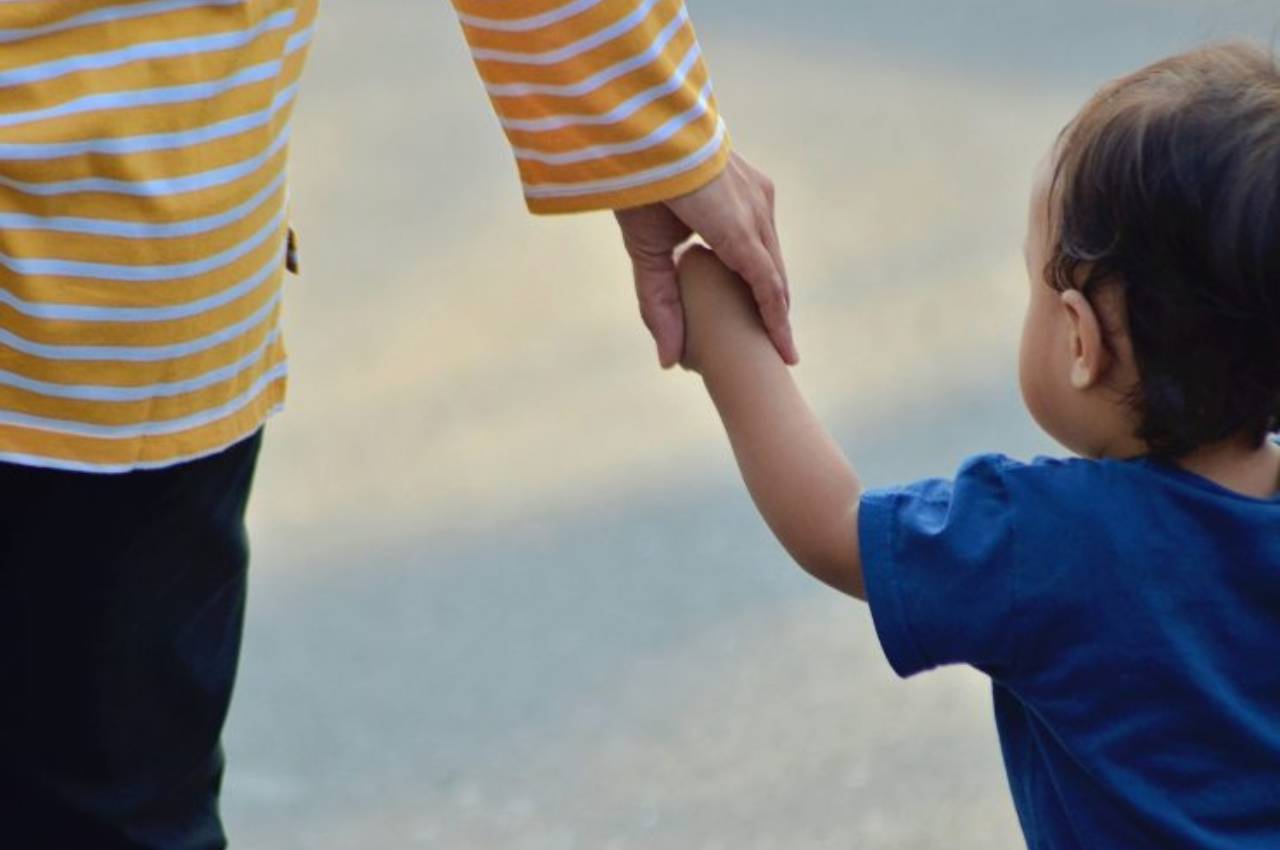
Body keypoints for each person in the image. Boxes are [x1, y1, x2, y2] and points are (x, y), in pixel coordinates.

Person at [0, 2, 791, 848]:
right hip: (106, 239)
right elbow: (838, 530)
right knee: (109, 802)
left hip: (97, 257)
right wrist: (651, 127)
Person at [676, 42, 1280, 849]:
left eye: (1031, 280)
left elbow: (833, 526)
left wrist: (723, 327)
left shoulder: (1054, 538)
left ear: (1079, 340)